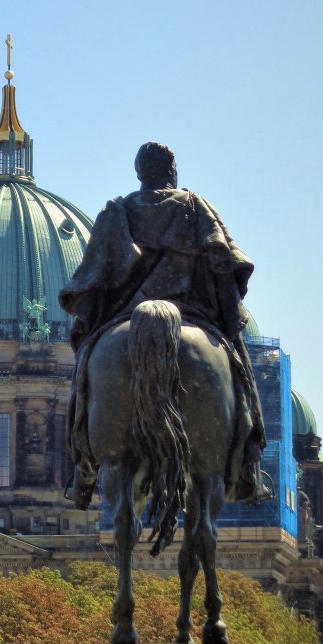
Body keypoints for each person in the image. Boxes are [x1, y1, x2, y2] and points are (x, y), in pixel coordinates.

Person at [59, 142, 265, 508]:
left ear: (140, 172)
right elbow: (226, 264)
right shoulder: (195, 207)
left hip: (126, 313)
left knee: (84, 373)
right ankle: (248, 465)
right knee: (239, 366)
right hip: (191, 308)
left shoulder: (116, 212)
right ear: (171, 171)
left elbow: (91, 280)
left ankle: (82, 469)